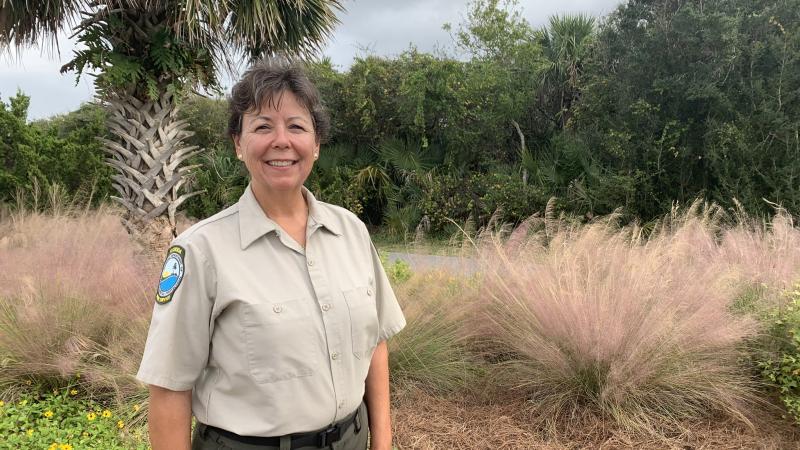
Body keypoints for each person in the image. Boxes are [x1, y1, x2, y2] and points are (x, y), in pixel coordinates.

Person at [136, 58, 406, 450]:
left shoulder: (351, 231)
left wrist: (381, 443)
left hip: (352, 439)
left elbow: (375, 342)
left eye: (297, 126)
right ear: (238, 144)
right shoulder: (200, 251)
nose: (282, 140)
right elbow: (169, 387)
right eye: (262, 126)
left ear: (315, 145)